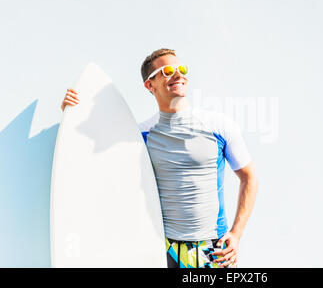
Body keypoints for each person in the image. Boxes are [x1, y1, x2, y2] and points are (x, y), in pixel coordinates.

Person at [61, 48, 258, 268]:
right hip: (164, 249)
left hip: (215, 248)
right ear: (149, 85)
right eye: (167, 71)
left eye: (181, 69)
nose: (177, 75)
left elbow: (249, 178)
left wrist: (237, 233)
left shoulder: (219, 126)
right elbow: (94, 155)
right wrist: (72, 114)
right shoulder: (140, 135)